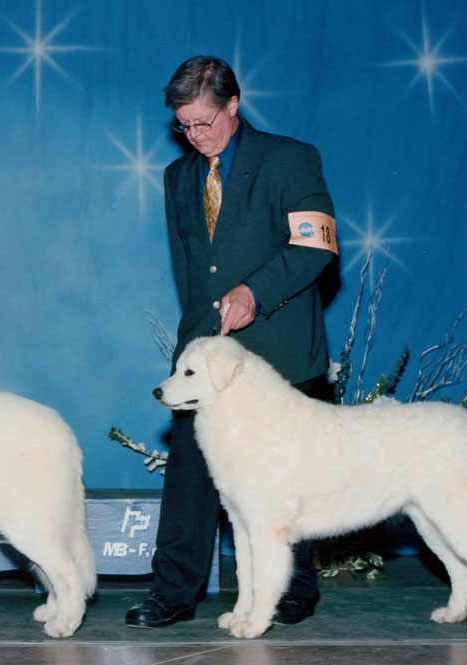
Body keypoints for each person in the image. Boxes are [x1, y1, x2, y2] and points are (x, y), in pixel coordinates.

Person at [125, 55, 337, 628]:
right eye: (183, 125)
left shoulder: (291, 159)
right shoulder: (178, 178)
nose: (194, 135)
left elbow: (315, 246)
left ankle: (291, 587)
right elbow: (195, 271)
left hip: (281, 349)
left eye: (203, 122)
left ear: (233, 105)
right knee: (190, 471)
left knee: (285, 478)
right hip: (209, 356)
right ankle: (173, 590)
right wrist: (190, 347)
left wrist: (256, 292)